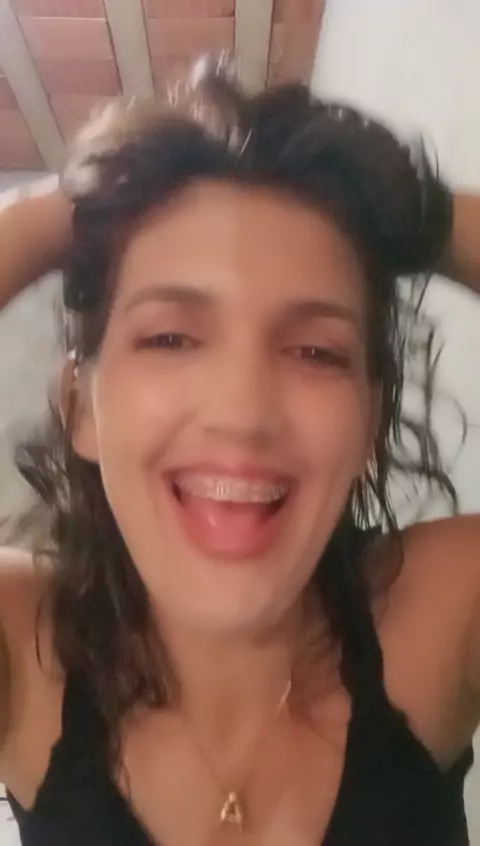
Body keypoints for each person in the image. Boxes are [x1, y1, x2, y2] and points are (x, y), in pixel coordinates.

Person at [0, 69, 479, 846]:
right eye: (170, 337)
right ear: (80, 407)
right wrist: (64, 210)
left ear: (371, 420)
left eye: (316, 351)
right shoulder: (24, 648)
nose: (244, 413)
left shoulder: (442, 615)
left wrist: (414, 216)